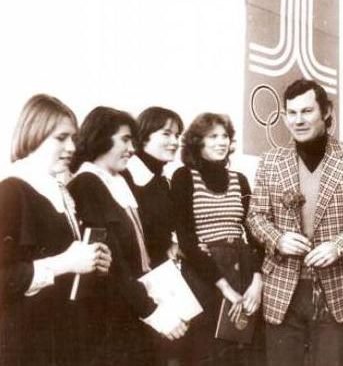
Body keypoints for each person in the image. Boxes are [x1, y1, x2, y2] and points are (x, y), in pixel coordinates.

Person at [247, 79, 343, 366]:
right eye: (292, 113)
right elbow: (256, 217)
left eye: (307, 111)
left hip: (339, 292)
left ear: (326, 112)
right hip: (282, 291)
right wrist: (277, 239)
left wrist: (338, 246)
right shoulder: (271, 161)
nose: (298, 120)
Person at [68, 106, 188, 366]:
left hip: (132, 307)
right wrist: (153, 312)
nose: (132, 149)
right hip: (110, 316)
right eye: (125, 139)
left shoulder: (122, 179)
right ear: (101, 136)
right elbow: (113, 263)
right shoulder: (86, 184)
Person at [0, 94, 112, 366]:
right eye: (61, 138)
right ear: (34, 135)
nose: (72, 147)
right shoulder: (10, 192)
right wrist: (65, 263)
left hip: (64, 338)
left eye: (72, 138)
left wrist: (95, 261)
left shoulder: (60, 191)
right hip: (28, 346)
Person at [171, 112, 264, 366]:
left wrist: (257, 281)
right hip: (205, 274)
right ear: (197, 142)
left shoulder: (240, 180)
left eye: (225, 136)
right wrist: (226, 290)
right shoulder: (184, 177)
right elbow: (187, 240)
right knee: (208, 351)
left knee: (245, 349)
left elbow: (255, 234)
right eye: (213, 136)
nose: (221, 142)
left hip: (243, 270)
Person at [126, 106, 184, 268]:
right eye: (166, 134)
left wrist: (171, 245)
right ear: (144, 137)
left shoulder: (162, 180)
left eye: (177, 136)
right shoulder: (128, 175)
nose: (174, 142)